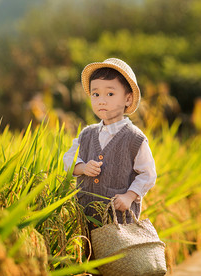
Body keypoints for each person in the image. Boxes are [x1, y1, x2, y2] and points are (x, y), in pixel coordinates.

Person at [63, 58, 157, 234]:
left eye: (110, 94)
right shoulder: (87, 134)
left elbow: (148, 173)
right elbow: (68, 160)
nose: (101, 101)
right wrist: (82, 167)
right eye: (95, 94)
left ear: (128, 99)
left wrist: (130, 196)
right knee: (90, 257)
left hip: (119, 222)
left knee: (118, 261)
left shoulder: (134, 138)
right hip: (85, 217)